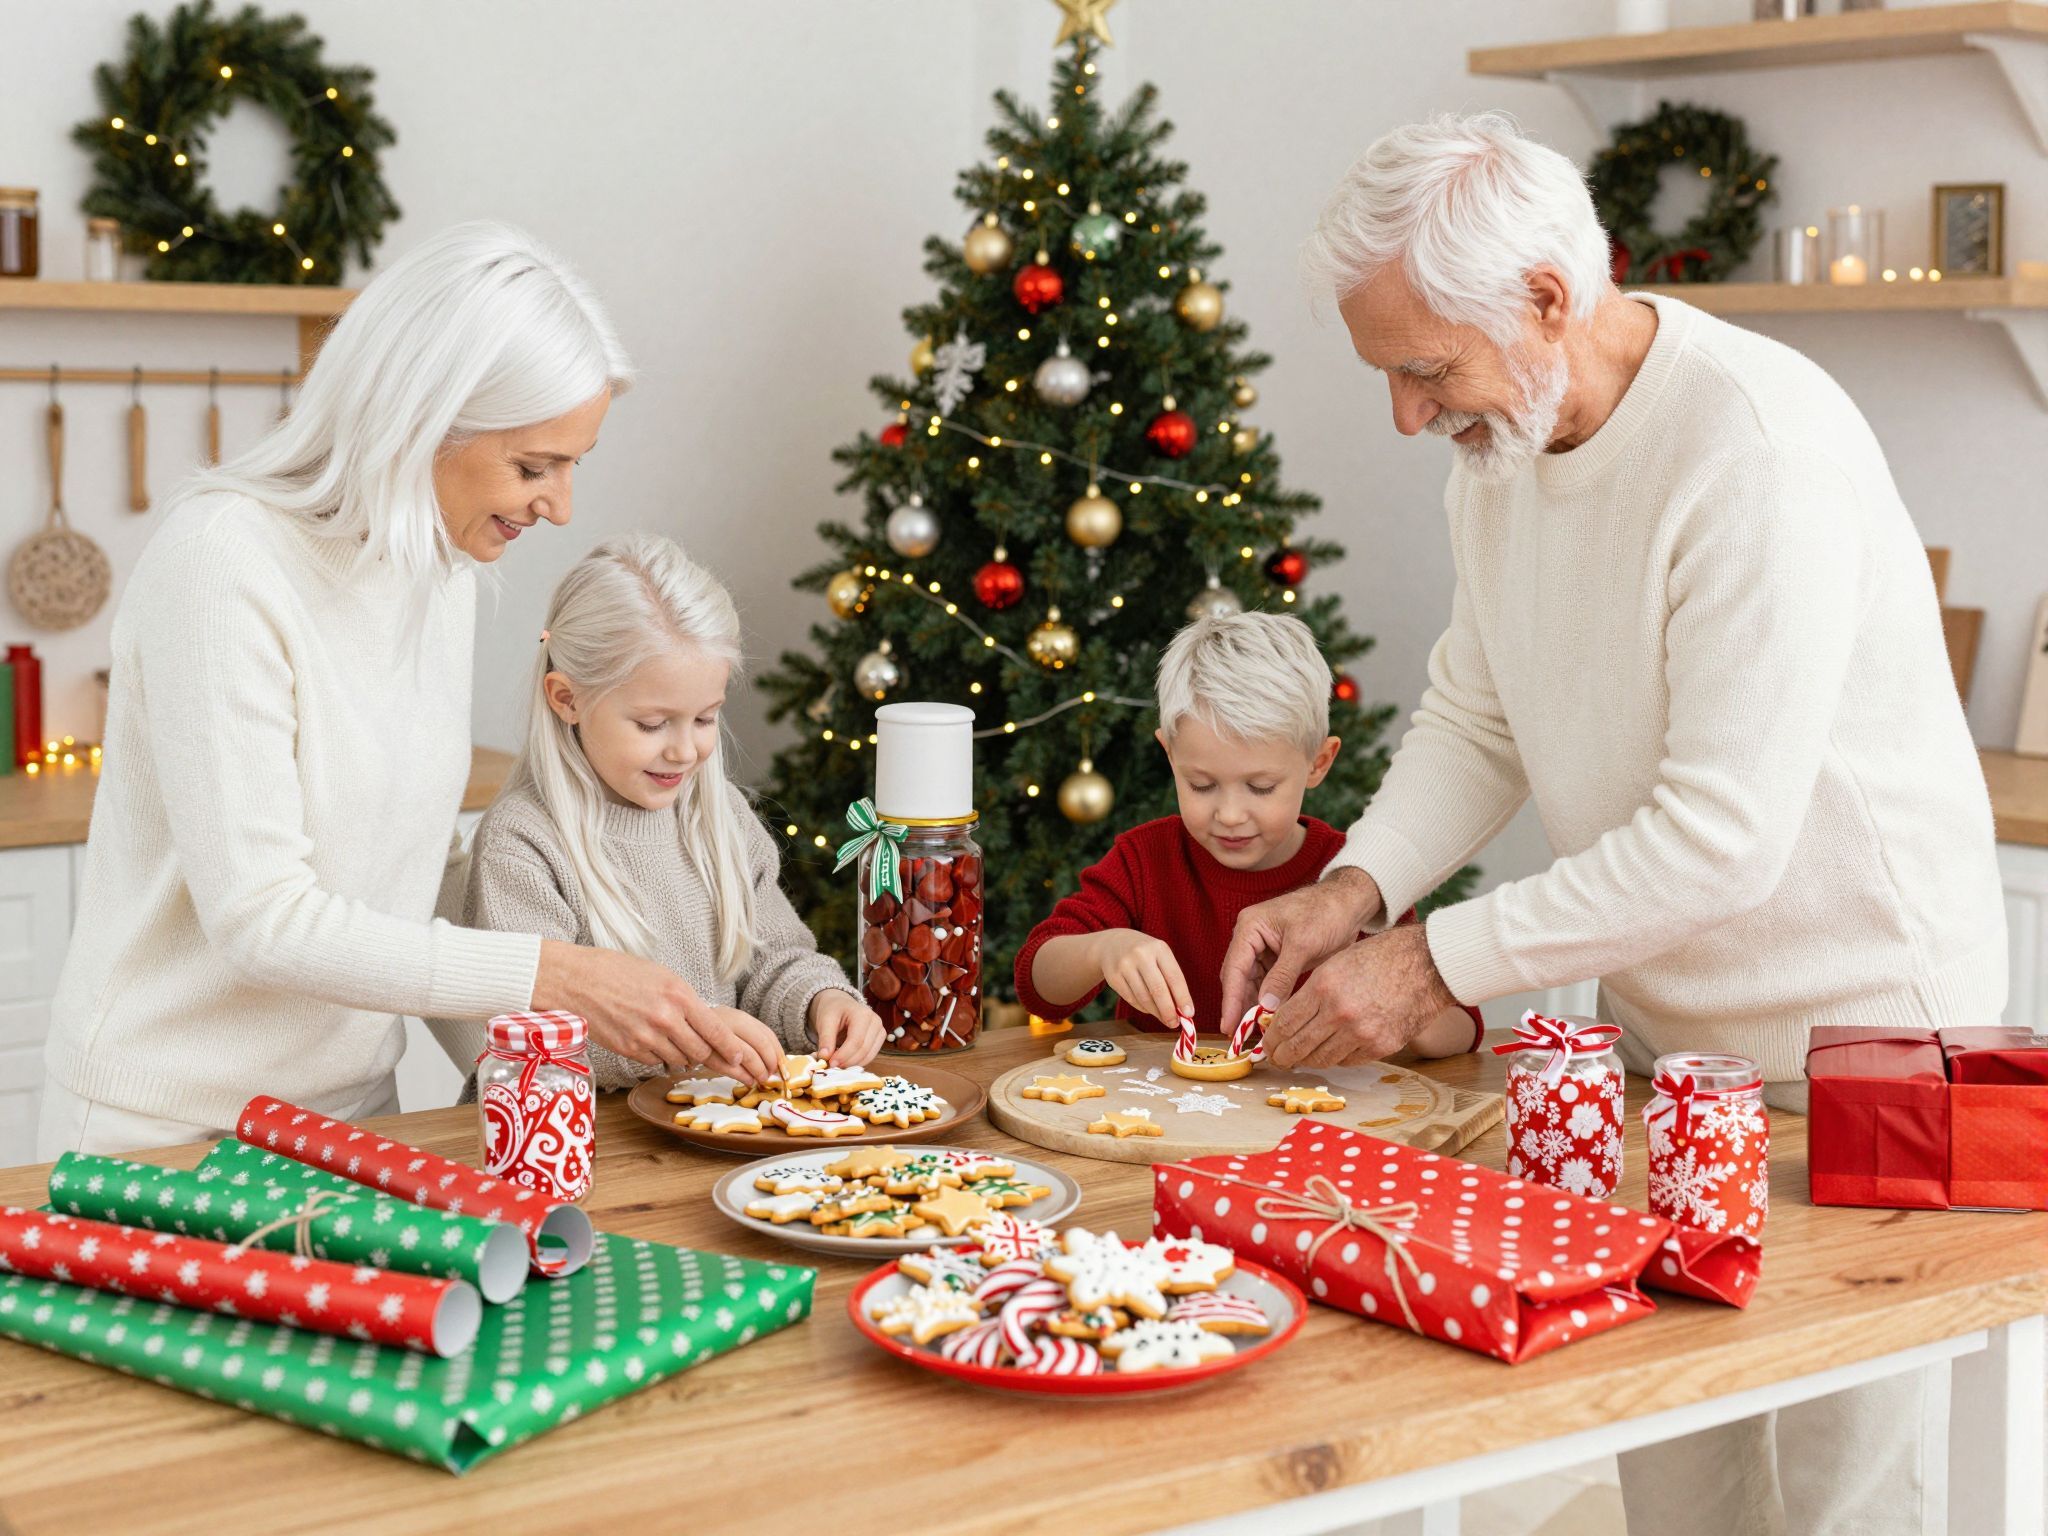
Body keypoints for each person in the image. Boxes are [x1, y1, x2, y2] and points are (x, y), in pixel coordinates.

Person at [1218, 112, 2005, 1536]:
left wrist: (1431, 963)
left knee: (1845, 1498)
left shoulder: (1754, 445)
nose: (1407, 415)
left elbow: (1722, 838)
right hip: (1670, 1039)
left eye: (1423, 369)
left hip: (1869, 1051)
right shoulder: (1500, 451)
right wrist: (1354, 890)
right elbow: (1481, 712)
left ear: (1541, 299)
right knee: (1674, 1452)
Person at [37, 223, 769, 1161]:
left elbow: (409, 871)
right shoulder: (223, 561)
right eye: (534, 465)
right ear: (423, 417)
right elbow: (263, 918)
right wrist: (561, 976)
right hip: (166, 1133)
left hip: (356, 1117)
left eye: (573, 463)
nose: (560, 507)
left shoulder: (439, 572)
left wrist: (564, 1070)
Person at [445, 534, 884, 1094]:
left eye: (704, 718)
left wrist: (820, 1001)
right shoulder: (524, 842)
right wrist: (694, 1037)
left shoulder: (720, 817)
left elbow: (775, 962)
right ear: (566, 699)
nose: (684, 751)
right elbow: (533, 1039)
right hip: (563, 1145)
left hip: (703, 1130)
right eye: (653, 725)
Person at [1016, 610, 1481, 1055]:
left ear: (1319, 762)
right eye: (1202, 785)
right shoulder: (1144, 859)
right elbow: (1039, 985)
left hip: (1319, 1121)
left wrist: (1392, 990)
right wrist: (1103, 949)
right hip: (1160, 1118)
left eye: (1260, 787)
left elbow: (1463, 1032)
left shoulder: (1353, 877)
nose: (1231, 814)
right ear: (1169, 754)